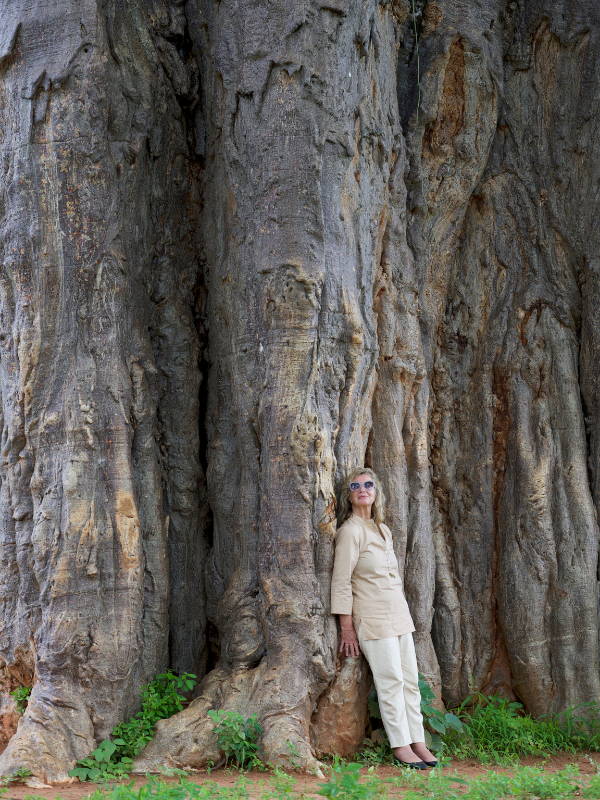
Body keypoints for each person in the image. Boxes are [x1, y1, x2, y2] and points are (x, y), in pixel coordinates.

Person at [330, 467, 437, 769]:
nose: (363, 489)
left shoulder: (383, 529)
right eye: (355, 486)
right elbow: (341, 581)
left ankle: (418, 740)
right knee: (390, 682)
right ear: (348, 495)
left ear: (376, 493)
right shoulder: (350, 532)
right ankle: (401, 745)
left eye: (368, 485)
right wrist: (346, 628)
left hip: (398, 616)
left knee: (410, 682)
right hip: (373, 618)